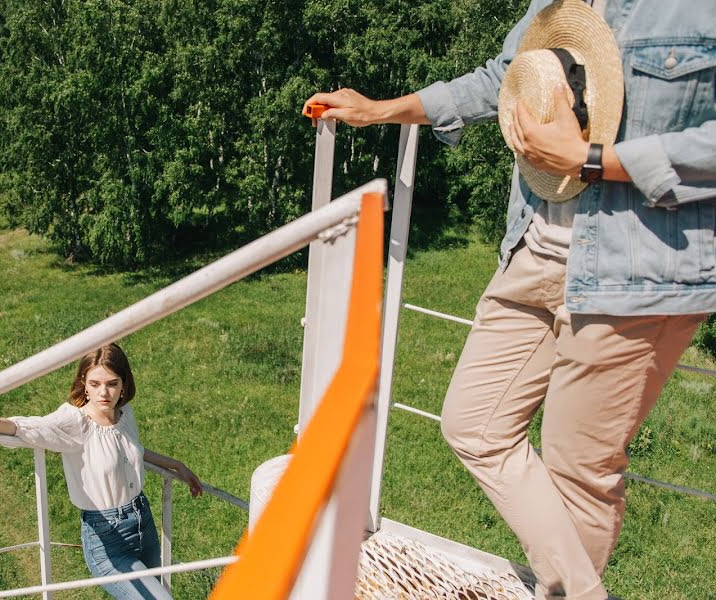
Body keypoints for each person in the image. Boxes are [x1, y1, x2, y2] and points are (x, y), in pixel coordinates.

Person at [304, 1, 714, 598]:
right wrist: (385, 111)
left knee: (580, 472)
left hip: (635, 270)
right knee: (474, 423)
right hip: (535, 244)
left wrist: (595, 161)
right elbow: (504, 77)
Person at [0, 343, 203, 600]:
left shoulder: (124, 415)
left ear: (124, 383)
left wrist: (175, 465)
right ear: (84, 383)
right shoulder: (76, 423)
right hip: (107, 538)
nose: (104, 392)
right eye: (95, 384)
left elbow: (133, 450)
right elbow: (34, 427)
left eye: (112, 383)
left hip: (143, 523)